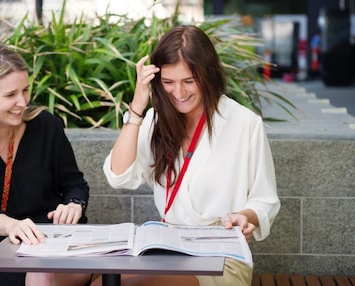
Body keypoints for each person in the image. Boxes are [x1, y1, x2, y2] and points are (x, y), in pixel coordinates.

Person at [101, 25, 281, 285]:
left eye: (188, 81)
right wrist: (138, 107)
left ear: (207, 76)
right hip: (166, 249)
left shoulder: (244, 123)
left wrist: (246, 217)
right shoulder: (155, 120)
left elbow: (265, 200)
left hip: (221, 255)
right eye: (168, 82)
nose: (179, 93)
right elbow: (118, 176)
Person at [0, 45, 91, 286]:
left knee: (47, 272)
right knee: (39, 275)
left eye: (25, 90)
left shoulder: (47, 126)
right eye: (11, 95)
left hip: (56, 244)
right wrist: (12, 225)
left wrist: (74, 205)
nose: (22, 102)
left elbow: (76, 185)